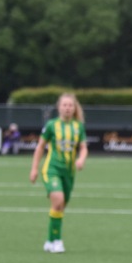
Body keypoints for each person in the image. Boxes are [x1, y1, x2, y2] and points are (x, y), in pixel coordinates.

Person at [29, 93, 88, 254]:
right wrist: (34, 168)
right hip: (52, 169)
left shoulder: (78, 127)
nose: (67, 108)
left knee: (60, 207)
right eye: (64, 105)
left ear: (74, 108)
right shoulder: (51, 125)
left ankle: (49, 240)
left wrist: (81, 160)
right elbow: (40, 147)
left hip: (69, 172)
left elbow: (83, 147)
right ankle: (57, 241)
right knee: (58, 201)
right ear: (59, 107)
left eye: (70, 105)